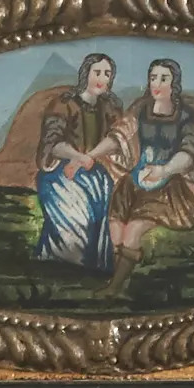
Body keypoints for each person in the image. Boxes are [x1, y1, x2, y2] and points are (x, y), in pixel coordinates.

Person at [100, 58, 194, 297]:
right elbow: (120, 136)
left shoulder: (184, 117)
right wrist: (91, 154)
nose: (157, 83)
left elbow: (189, 153)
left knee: (133, 231)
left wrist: (164, 170)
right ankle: (116, 280)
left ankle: (113, 290)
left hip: (166, 185)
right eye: (153, 78)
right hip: (134, 182)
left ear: (174, 84)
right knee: (115, 230)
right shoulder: (141, 110)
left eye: (164, 78)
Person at [31, 52, 125, 270]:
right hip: (59, 173)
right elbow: (52, 144)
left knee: (99, 214)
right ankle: (62, 266)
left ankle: (91, 268)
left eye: (107, 74)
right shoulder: (64, 104)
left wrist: (87, 158)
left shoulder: (110, 107)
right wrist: (77, 157)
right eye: (97, 72)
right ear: (86, 74)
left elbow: (118, 140)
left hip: (95, 174)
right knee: (75, 225)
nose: (102, 78)